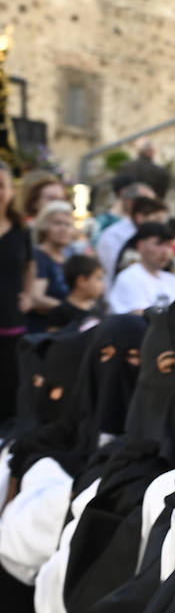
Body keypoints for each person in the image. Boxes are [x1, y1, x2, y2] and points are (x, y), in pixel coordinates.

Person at [0, 161, 34, 424]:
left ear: (11, 190)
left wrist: (29, 293)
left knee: (11, 379)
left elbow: (30, 263)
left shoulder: (21, 229)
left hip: (10, 316)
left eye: (1, 185)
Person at [107, 222, 175, 315]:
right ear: (140, 245)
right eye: (158, 244)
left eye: (168, 245)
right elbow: (141, 318)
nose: (165, 251)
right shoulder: (129, 278)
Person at [26, 200, 77, 332]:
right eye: (57, 223)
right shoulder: (38, 256)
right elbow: (36, 298)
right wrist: (72, 309)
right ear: (44, 226)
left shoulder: (69, 258)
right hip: (41, 333)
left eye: (68, 224)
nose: (63, 229)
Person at [95, 182, 154, 278]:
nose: (154, 208)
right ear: (131, 203)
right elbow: (116, 271)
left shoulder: (152, 232)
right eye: (148, 202)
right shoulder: (113, 235)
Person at [45, 255, 105, 330]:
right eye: (98, 278)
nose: (102, 284)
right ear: (81, 281)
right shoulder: (60, 313)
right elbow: (53, 340)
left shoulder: (99, 309)